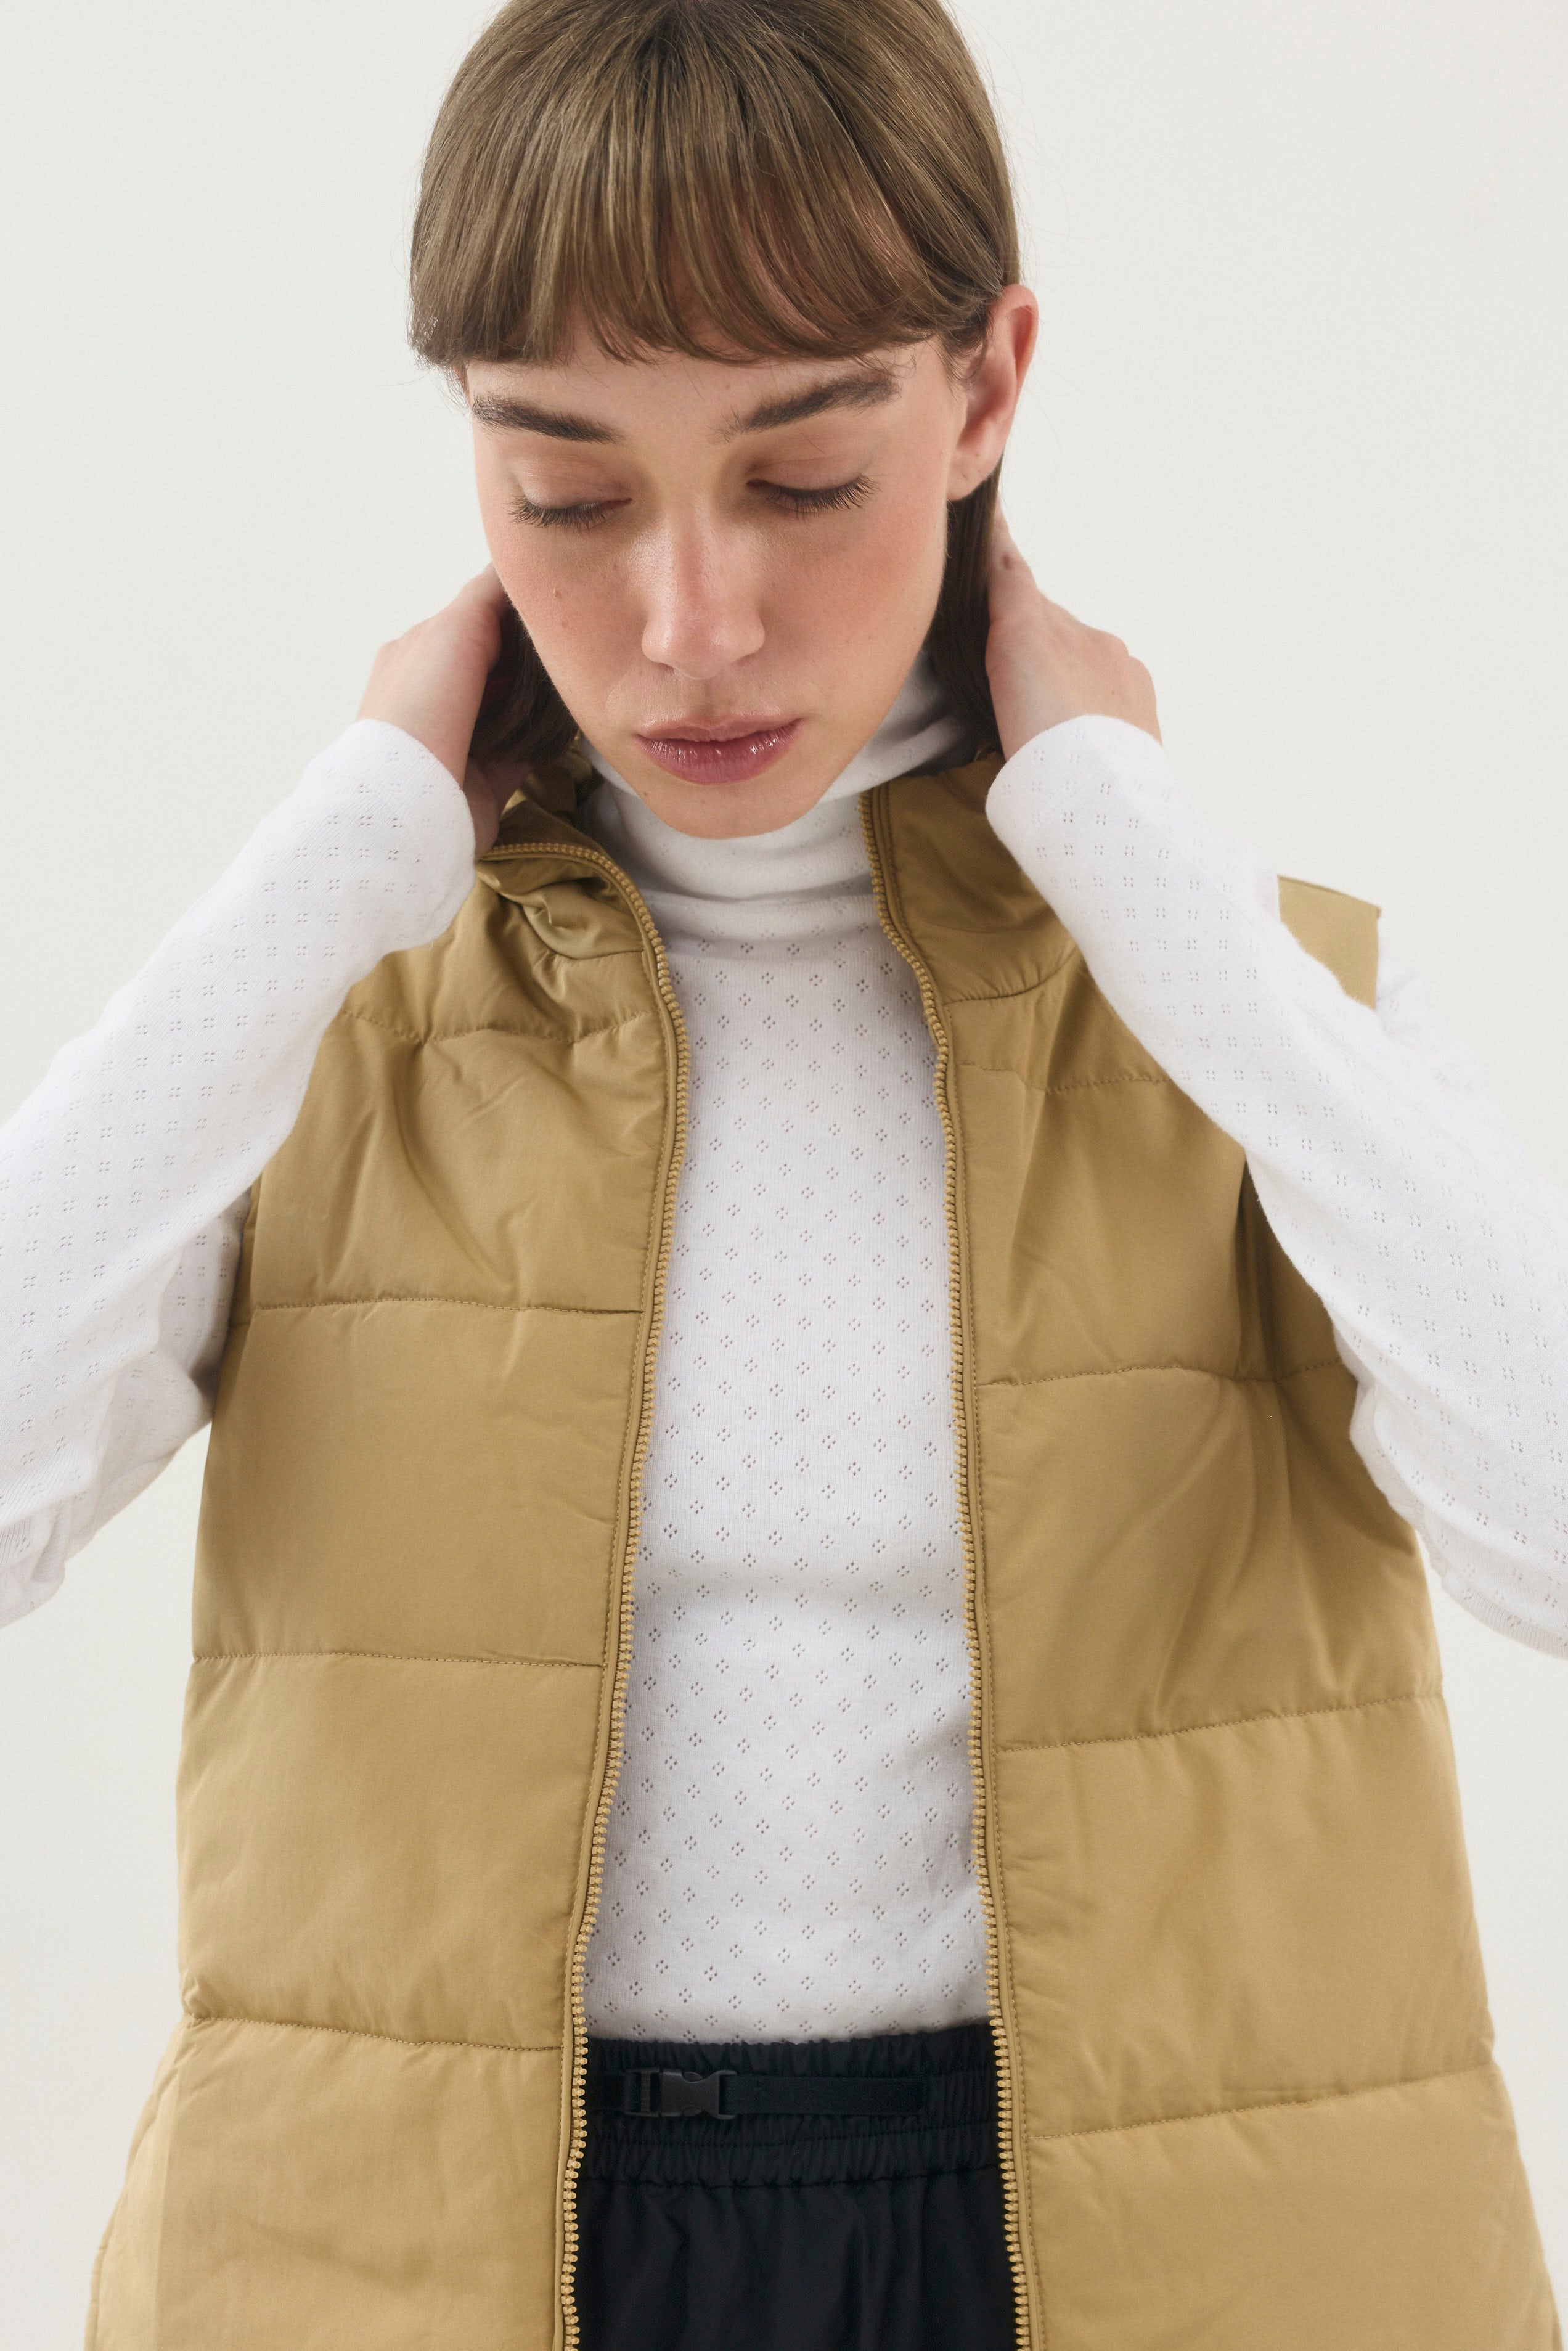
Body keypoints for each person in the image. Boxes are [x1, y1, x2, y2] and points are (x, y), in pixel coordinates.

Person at [1, 0, 1563, 2344]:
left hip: (1129, 2254)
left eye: (805, 478)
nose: (691, 627)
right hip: (448, 2260)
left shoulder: (1244, 995)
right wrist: (333, 859)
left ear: (986, 387)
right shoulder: (323, 1022)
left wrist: (1141, 863)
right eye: (568, 495)